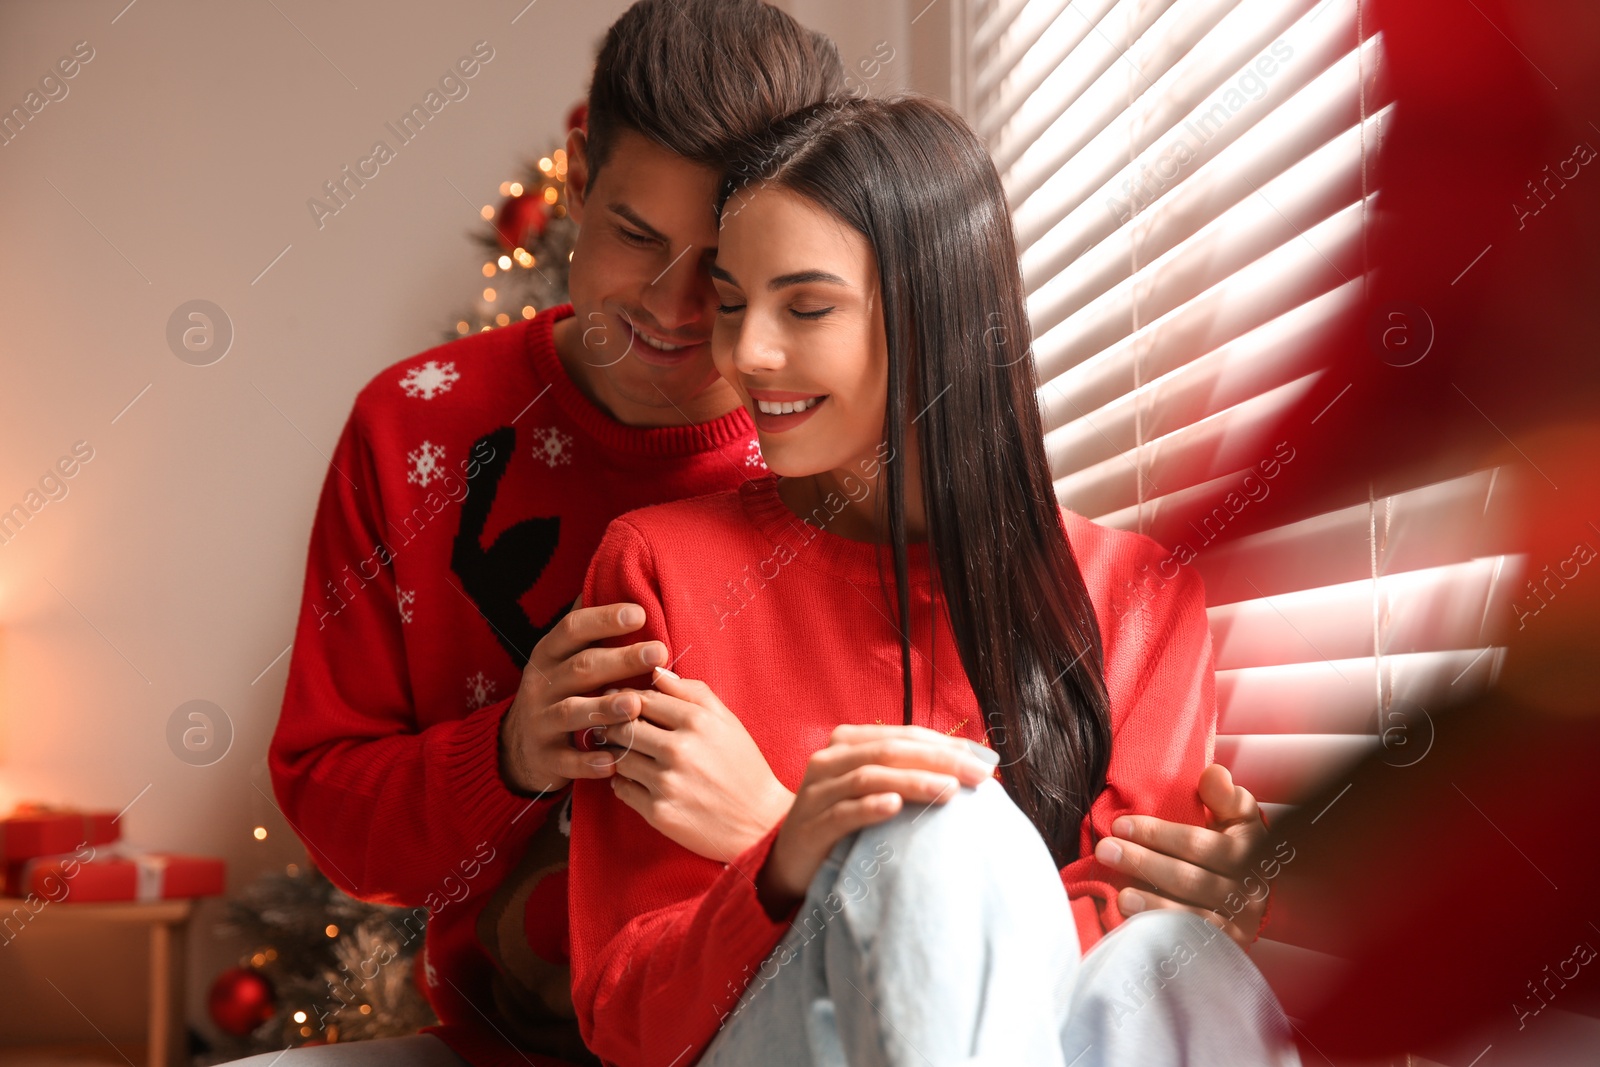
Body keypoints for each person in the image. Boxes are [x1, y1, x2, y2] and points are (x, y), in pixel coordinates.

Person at [567, 94, 1300, 1066]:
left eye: (807, 305)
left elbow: (1103, 957)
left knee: (1172, 954)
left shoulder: (1140, 597)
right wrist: (792, 873)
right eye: (733, 300)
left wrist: (777, 823)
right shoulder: (656, 567)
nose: (746, 352)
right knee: (934, 825)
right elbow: (625, 1013)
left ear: (935, 314)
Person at [263, 3, 844, 1064]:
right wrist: (507, 754)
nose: (670, 309)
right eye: (634, 235)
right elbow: (327, 798)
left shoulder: (840, 456)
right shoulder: (412, 427)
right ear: (577, 179)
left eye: (717, 266)